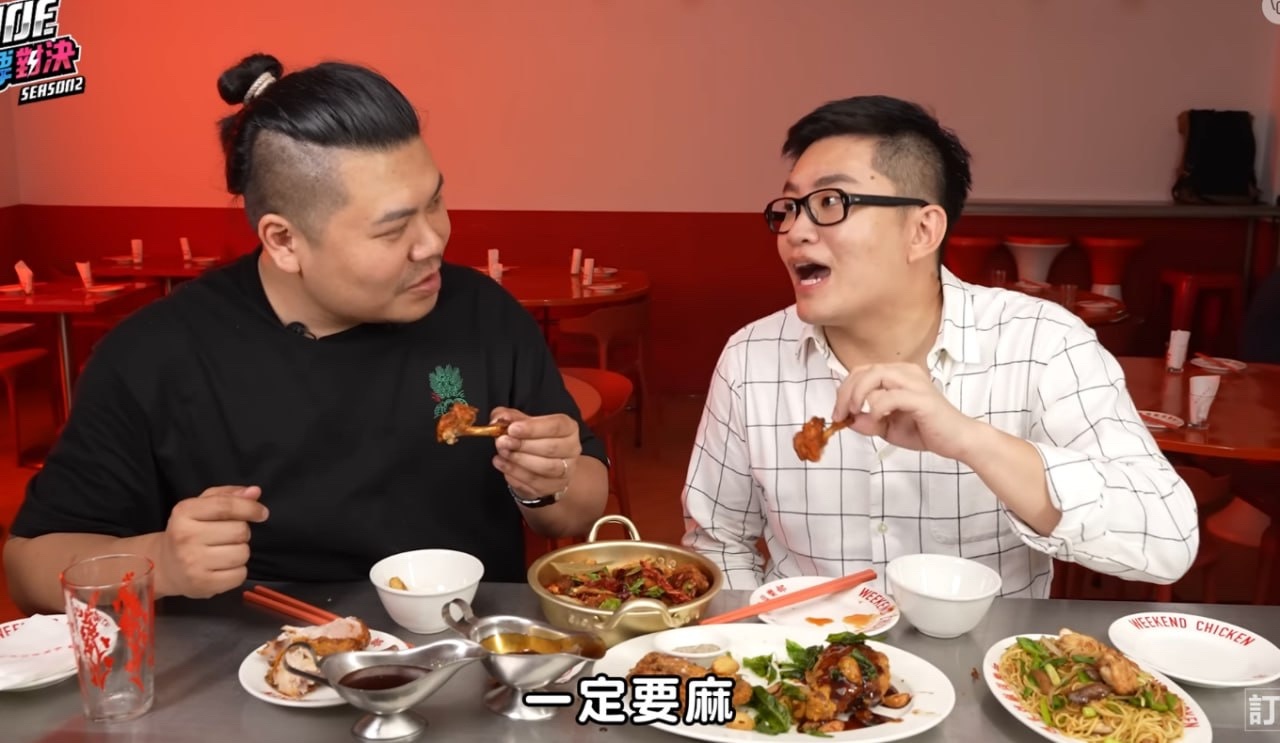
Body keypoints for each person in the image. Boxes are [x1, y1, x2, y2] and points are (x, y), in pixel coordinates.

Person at [3, 53, 609, 614]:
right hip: (245, 673)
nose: (433, 242)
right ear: (284, 240)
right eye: (392, 229)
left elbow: (581, 504)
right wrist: (161, 560)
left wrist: (550, 482)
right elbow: (28, 566)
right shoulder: (157, 354)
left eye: (435, 202)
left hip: (462, 651)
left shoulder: (484, 315)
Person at [681, 95, 1199, 598]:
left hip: (987, 654)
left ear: (922, 230)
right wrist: (756, 640)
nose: (795, 231)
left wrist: (971, 441)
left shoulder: (1043, 343)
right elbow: (720, 541)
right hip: (809, 648)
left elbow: (1168, 540)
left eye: (829, 203)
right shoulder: (751, 358)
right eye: (790, 207)